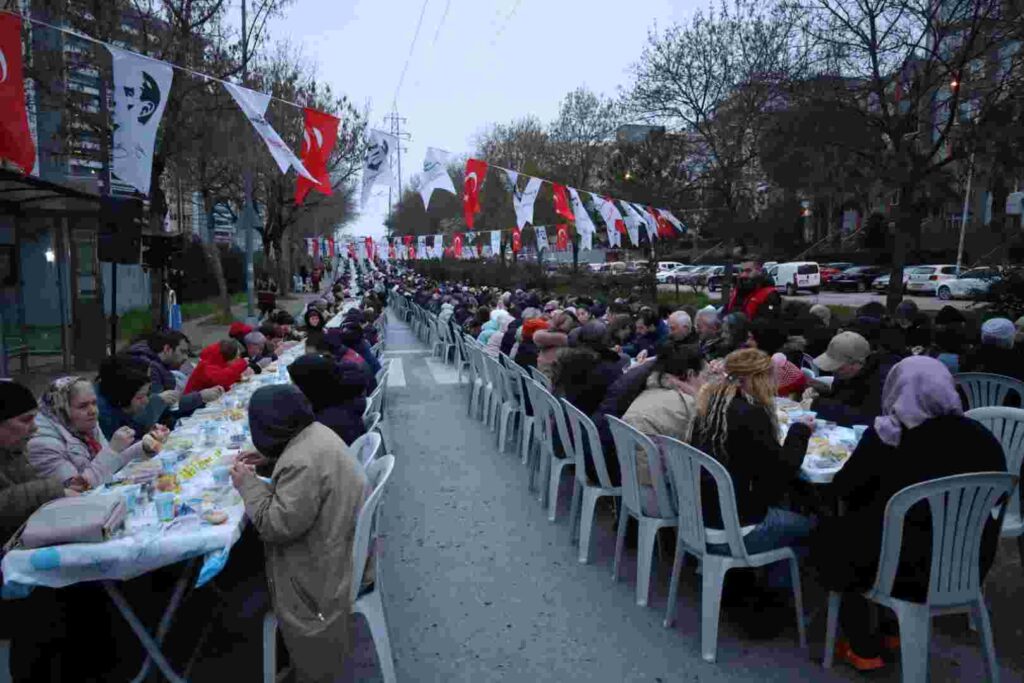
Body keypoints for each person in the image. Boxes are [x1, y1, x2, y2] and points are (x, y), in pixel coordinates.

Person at [811, 356, 1006, 671]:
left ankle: (864, 647)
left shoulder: (888, 436)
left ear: (897, 389)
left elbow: (843, 489)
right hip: (967, 564)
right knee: (894, 530)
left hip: (898, 569)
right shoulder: (983, 438)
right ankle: (892, 632)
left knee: (834, 535)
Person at [231, 385, 367, 683]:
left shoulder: (300, 462)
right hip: (336, 538)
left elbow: (275, 526)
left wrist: (248, 486)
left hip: (322, 566)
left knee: (241, 560)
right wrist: (269, 457)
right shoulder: (315, 433)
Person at [692, 349, 814, 564]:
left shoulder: (710, 406)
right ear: (757, 379)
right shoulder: (751, 414)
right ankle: (777, 588)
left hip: (699, 518)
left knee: (783, 503)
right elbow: (783, 471)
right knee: (816, 526)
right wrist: (800, 431)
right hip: (736, 528)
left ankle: (753, 580)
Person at [622, 343, 705, 511]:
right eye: (705, 375)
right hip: (662, 499)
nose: (706, 381)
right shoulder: (687, 405)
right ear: (690, 374)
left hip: (632, 489)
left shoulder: (650, 390)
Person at [29, 376, 151, 487]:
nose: (93, 411)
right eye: (83, 406)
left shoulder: (82, 425)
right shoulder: (43, 444)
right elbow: (80, 487)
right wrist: (112, 450)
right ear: (61, 410)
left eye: (94, 403)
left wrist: (144, 447)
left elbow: (110, 466)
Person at [128, 331, 223, 420]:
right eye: (182, 351)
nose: (186, 358)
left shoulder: (157, 366)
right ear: (167, 349)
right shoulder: (149, 369)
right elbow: (164, 408)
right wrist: (200, 397)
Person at [811, 331, 899, 427]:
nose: (834, 371)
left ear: (858, 364)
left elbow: (869, 418)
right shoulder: (847, 373)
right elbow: (841, 398)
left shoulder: (882, 379)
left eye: (839, 368)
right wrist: (821, 393)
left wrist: (817, 404)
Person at [288, 354, 368, 446]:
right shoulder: (341, 396)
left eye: (295, 384)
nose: (293, 388)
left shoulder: (325, 423)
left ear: (308, 387)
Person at [95, 354, 177, 440]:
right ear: (123, 394)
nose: (146, 401)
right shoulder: (104, 416)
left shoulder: (115, 399)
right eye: (140, 397)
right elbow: (121, 447)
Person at [184, 339, 253, 395]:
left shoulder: (217, 364)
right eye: (236, 357)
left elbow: (226, 376)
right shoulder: (205, 366)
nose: (238, 359)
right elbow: (220, 378)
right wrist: (242, 364)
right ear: (228, 357)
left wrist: (238, 377)